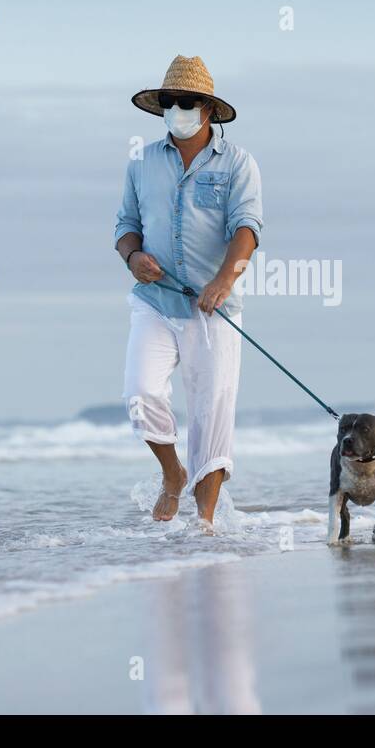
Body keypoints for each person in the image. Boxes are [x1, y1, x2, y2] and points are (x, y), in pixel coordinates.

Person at [113, 55, 263, 526]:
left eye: (187, 102)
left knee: (212, 413)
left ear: (208, 109)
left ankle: (204, 526)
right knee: (140, 392)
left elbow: (248, 228)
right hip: (155, 303)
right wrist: (133, 257)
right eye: (171, 102)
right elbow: (125, 226)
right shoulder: (142, 162)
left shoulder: (238, 162)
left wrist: (223, 281)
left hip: (214, 309)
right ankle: (172, 473)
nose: (178, 109)